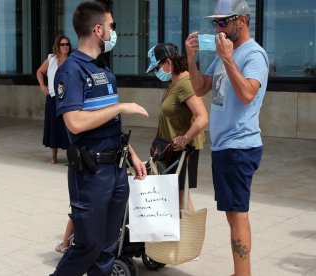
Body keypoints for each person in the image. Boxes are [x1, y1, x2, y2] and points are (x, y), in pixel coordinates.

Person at [50, 2, 149, 275]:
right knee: (88, 245)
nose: (113, 32)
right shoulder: (71, 71)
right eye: (111, 26)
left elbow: (109, 127)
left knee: (107, 247)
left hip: (115, 169)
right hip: (91, 172)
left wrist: (132, 154)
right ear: (98, 29)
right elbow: (75, 122)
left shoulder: (104, 70)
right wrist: (119, 107)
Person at [185, 0, 268, 275]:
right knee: (234, 214)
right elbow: (199, 88)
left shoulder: (253, 55)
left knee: (237, 213)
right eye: (214, 23)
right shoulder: (223, 55)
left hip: (239, 145)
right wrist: (190, 58)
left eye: (222, 22)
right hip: (225, 146)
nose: (217, 28)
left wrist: (229, 58)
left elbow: (247, 94)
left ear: (241, 21)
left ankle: (242, 273)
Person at [146, 42, 208, 211]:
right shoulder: (175, 83)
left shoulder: (185, 83)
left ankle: (189, 236)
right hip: (169, 150)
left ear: (167, 62)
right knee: (176, 195)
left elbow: (202, 117)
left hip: (182, 151)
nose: (156, 72)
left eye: (156, 68)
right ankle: (181, 235)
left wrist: (185, 138)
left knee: (181, 196)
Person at [36, 35, 71, 164]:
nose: (65, 47)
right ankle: (54, 157)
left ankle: (70, 157)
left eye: (67, 44)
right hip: (52, 98)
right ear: (58, 46)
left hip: (67, 98)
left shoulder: (72, 60)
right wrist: (42, 86)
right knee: (53, 126)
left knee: (68, 127)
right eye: (62, 44)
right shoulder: (51, 59)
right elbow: (39, 72)